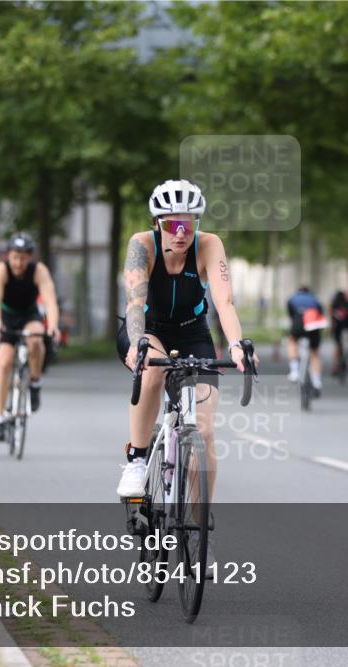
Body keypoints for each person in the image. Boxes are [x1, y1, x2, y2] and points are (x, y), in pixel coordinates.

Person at [115, 179, 257, 499]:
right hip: (147, 328)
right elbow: (135, 305)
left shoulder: (209, 245)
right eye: (172, 224)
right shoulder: (142, 244)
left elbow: (225, 303)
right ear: (157, 223)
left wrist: (236, 346)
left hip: (193, 332)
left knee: (204, 431)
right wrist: (138, 345)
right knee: (153, 372)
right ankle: (137, 459)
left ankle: (199, 531)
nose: (181, 232)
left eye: (189, 223)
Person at [0, 233, 59, 441]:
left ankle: (35, 382)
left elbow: (50, 300)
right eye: (15, 257)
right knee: (4, 362)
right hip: (6, 317)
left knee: (36, 339)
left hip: (29, 314)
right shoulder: (1, 270)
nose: (18, 263)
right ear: (9, 255)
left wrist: (53, 325)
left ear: (30, 257)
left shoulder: (39, 271)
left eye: (23, 258)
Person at [286, 285, 327, 395]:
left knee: (292, 341)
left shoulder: (292, 298)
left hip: (298, 321)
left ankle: (294, 371)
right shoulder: (315, 299)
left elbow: (291, 315)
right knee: (314, 353)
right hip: (313, 321)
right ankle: (317, 382)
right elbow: (321, 314)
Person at [330, 290, 348, 376]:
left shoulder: (334, 304)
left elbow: (332, 318)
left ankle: (335, 366)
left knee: (337, 347)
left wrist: (331, 330)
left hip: (337, 328)